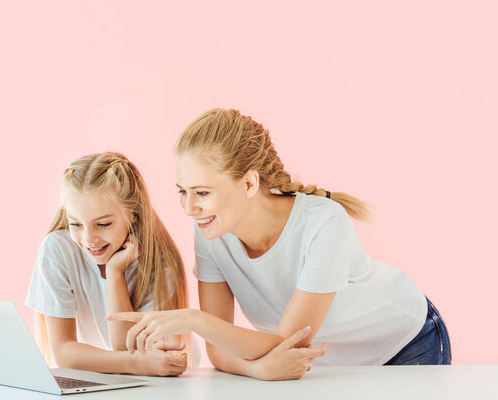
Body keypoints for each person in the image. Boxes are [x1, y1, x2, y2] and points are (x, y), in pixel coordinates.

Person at [109, 108, 451, 380]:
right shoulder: (210, 231)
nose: (188, 208)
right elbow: (218, 351)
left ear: (248, 184)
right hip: (326, 367)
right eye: (182, 191)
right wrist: (257, 368)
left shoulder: (324, 223)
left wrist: (195, 321)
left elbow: (289, 342)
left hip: (405, 345)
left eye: (202, 193)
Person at [25, 152, 192, 376]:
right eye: (75, 224)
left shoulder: (160, 264)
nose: (88, 239)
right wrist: (137, 363)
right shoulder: (58, 250)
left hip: (159, 386)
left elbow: (126, 349)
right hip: (100, 380)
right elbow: (64, 353)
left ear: (133, 214)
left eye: (102, 224)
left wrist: (115, 273)